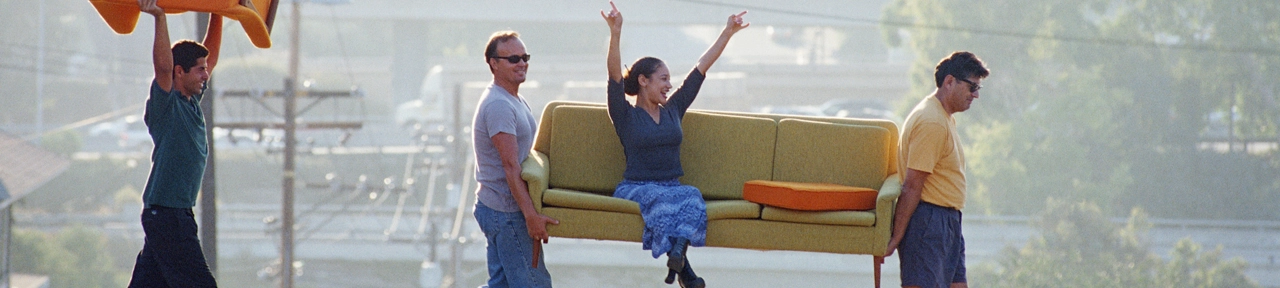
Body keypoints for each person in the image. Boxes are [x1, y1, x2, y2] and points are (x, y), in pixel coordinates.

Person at [600, 2, 748, 287]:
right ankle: (685, 273)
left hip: (671, 186)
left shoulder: (674, 108)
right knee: (662, 204)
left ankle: (678, 259)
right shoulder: (624, 114)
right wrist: (616, 32)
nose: (670, 85)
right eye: (663, 79)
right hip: (637, 187)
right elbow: (614, 76)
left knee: (691, 195)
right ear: (643, 81)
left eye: (670, 79)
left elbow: (701, 68)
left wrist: (727, 33)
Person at [128, 0, 226, 286]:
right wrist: (160, 17)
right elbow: (162, 66)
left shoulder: (192, 102)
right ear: (179, 72)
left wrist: (220, 11)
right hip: (168, 217)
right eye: (199, 70)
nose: (206, 75)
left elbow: (212, 54)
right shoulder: (166, 107)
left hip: (173, 214)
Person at [884, 51, 989, 288]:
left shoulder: (944, 117)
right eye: (972, 87)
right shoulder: (931, 121)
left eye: (978, 89)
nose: (975, 95)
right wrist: (896, 237)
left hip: (948, 221)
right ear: (950, 82)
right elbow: (911, 185)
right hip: (928, 222)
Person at [471, 30, 560, 288]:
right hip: (506, 210)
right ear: (493, 63)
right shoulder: (498, 105)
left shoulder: (514, 98)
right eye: (513, 59)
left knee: (502, 284)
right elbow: (510, 166)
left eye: (524, 57)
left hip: (500, 206)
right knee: (533, 284)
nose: (521, 63)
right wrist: (530, 216)